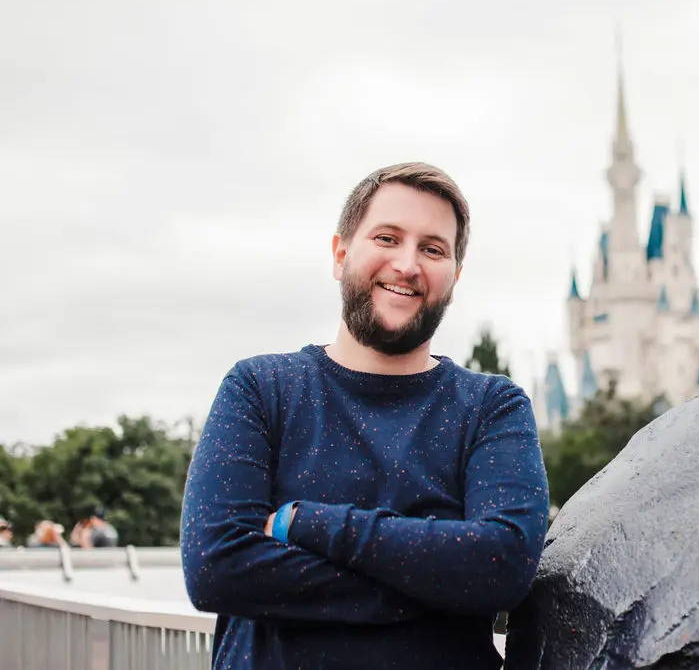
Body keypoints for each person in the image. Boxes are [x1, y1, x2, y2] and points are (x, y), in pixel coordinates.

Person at [180, 162, 550, 670]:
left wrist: (305, 523)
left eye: (433, 249)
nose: (407, 263)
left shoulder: (492, 406)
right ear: (340, 254)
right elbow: (215, 568)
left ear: (454, 276)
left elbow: (502, 564)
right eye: (387, 237)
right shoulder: (260, 389)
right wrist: (435, 583)